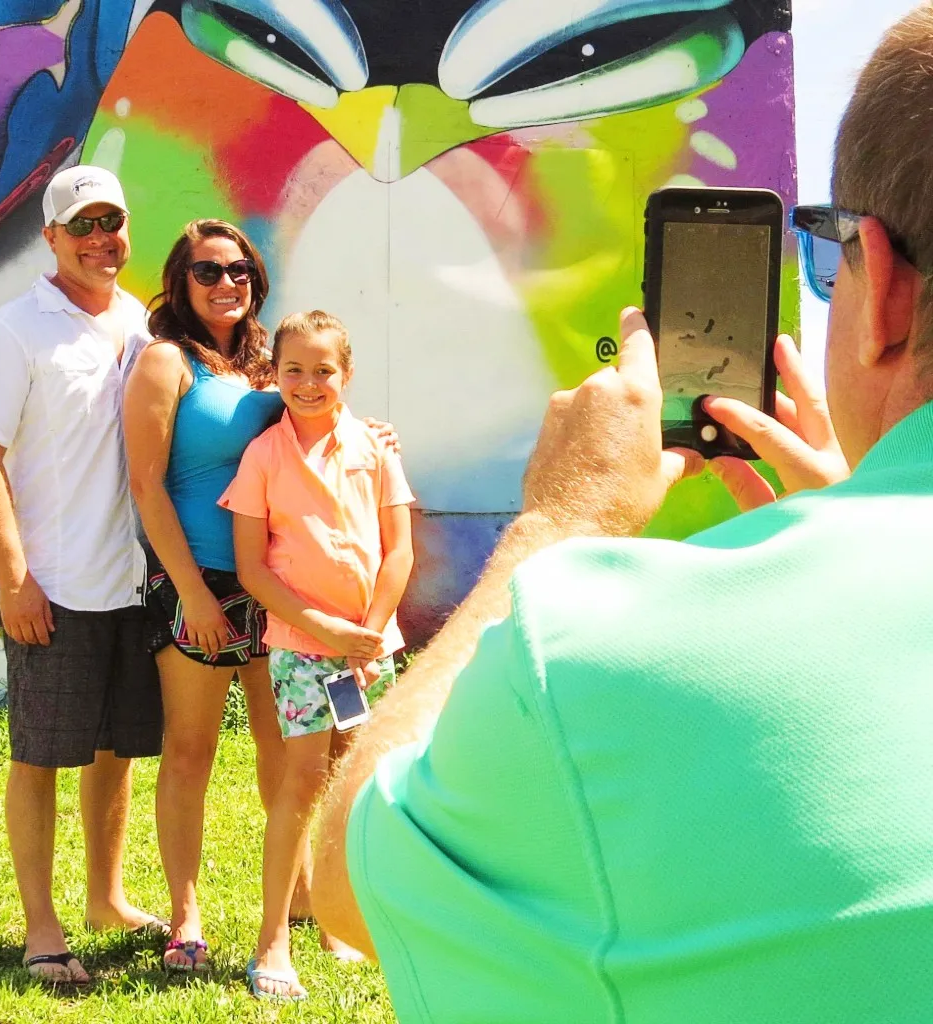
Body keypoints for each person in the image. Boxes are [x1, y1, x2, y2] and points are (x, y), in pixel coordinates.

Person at [310, 7, 933, 1023]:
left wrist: (558, 525)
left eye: (831, 260)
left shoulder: (598, 658)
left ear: (887, 292)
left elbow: (345, 877)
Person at [0, 165, 164, 986]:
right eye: (82, 225)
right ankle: (42, 928)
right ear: (51, 237)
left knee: (114, 752)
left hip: (130, 582)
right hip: (54, 586)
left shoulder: (141, 324)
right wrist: (14, 580)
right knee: (40, 757)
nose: (100, 239)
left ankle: (106, 898)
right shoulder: (13, 331)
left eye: (112, 221)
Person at [221, 310, 414, 1001]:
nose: (308, 383)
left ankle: (339, 917)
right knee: (302, 782)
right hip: (304, 650)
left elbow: (399, 550)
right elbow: (254, 571)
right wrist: (332, 634)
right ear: (274, 375)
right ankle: (273, 939)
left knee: (351, 781)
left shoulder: (376, 448)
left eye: (323, 370)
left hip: (366, 650)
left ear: (347, 374)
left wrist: (370, 631)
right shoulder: (264, 457)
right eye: (293, 370)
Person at [123, 219, 286, 972]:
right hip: (199, 580)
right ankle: (186, 917)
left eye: (240, 270)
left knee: (283, 745)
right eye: (208, 271)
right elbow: (146, 486)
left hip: (275, 577)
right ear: (180, 282)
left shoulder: (264, 365)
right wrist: (191, 593)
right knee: (191, 751)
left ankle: (301, 894)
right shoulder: (166, 362)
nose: (228, 283)